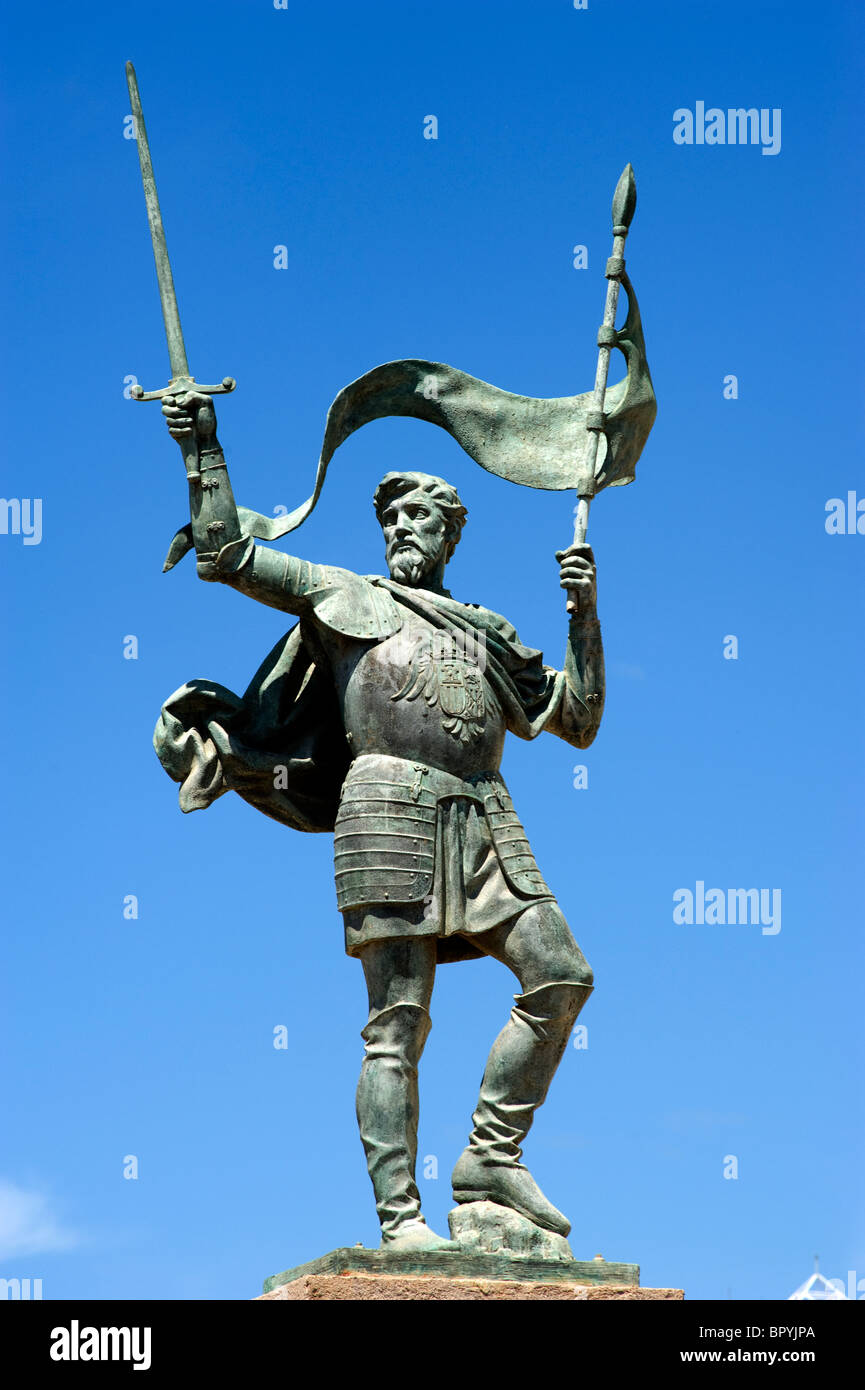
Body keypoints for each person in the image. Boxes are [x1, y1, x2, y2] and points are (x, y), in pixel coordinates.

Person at [155, 390, 605, 1252]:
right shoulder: (340, 595)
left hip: (484, 818)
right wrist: (202, 449)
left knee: (561, 975)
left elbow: (576, 718)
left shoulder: (482, 630)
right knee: (397, 1023)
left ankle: (488, 1158)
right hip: (387, 811)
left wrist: (583, 615)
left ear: (449, 535)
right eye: (392, 516)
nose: (402, 528)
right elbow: (227, 553)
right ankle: (401, 1221)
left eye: (420, 517)